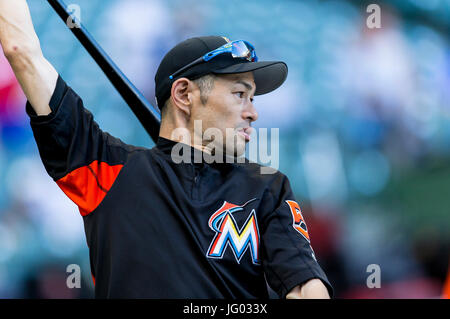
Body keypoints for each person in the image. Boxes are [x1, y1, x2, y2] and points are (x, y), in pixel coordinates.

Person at [0, 0, 333, 298]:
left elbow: (304, 286)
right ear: (184, 95)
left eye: (252, 98)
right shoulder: (108, 169)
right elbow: (20, 50)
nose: (253, 112)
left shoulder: (267, 187)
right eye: (239, 94)